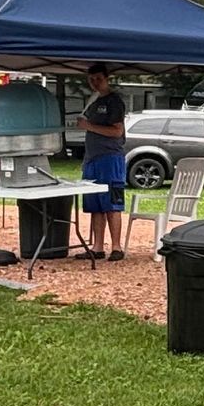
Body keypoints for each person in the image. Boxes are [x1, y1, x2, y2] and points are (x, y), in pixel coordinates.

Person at [77, 64, 128, 261]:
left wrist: (89, 126)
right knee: (95, 204)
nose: (95, 83)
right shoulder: (93, 101)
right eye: (91, 80)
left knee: (112, 204)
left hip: (110, 159)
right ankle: (97, 247)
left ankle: (116, 247)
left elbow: (117, 131)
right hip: (92, 159)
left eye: (98, 79)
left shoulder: (114, 101)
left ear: (107, 78)